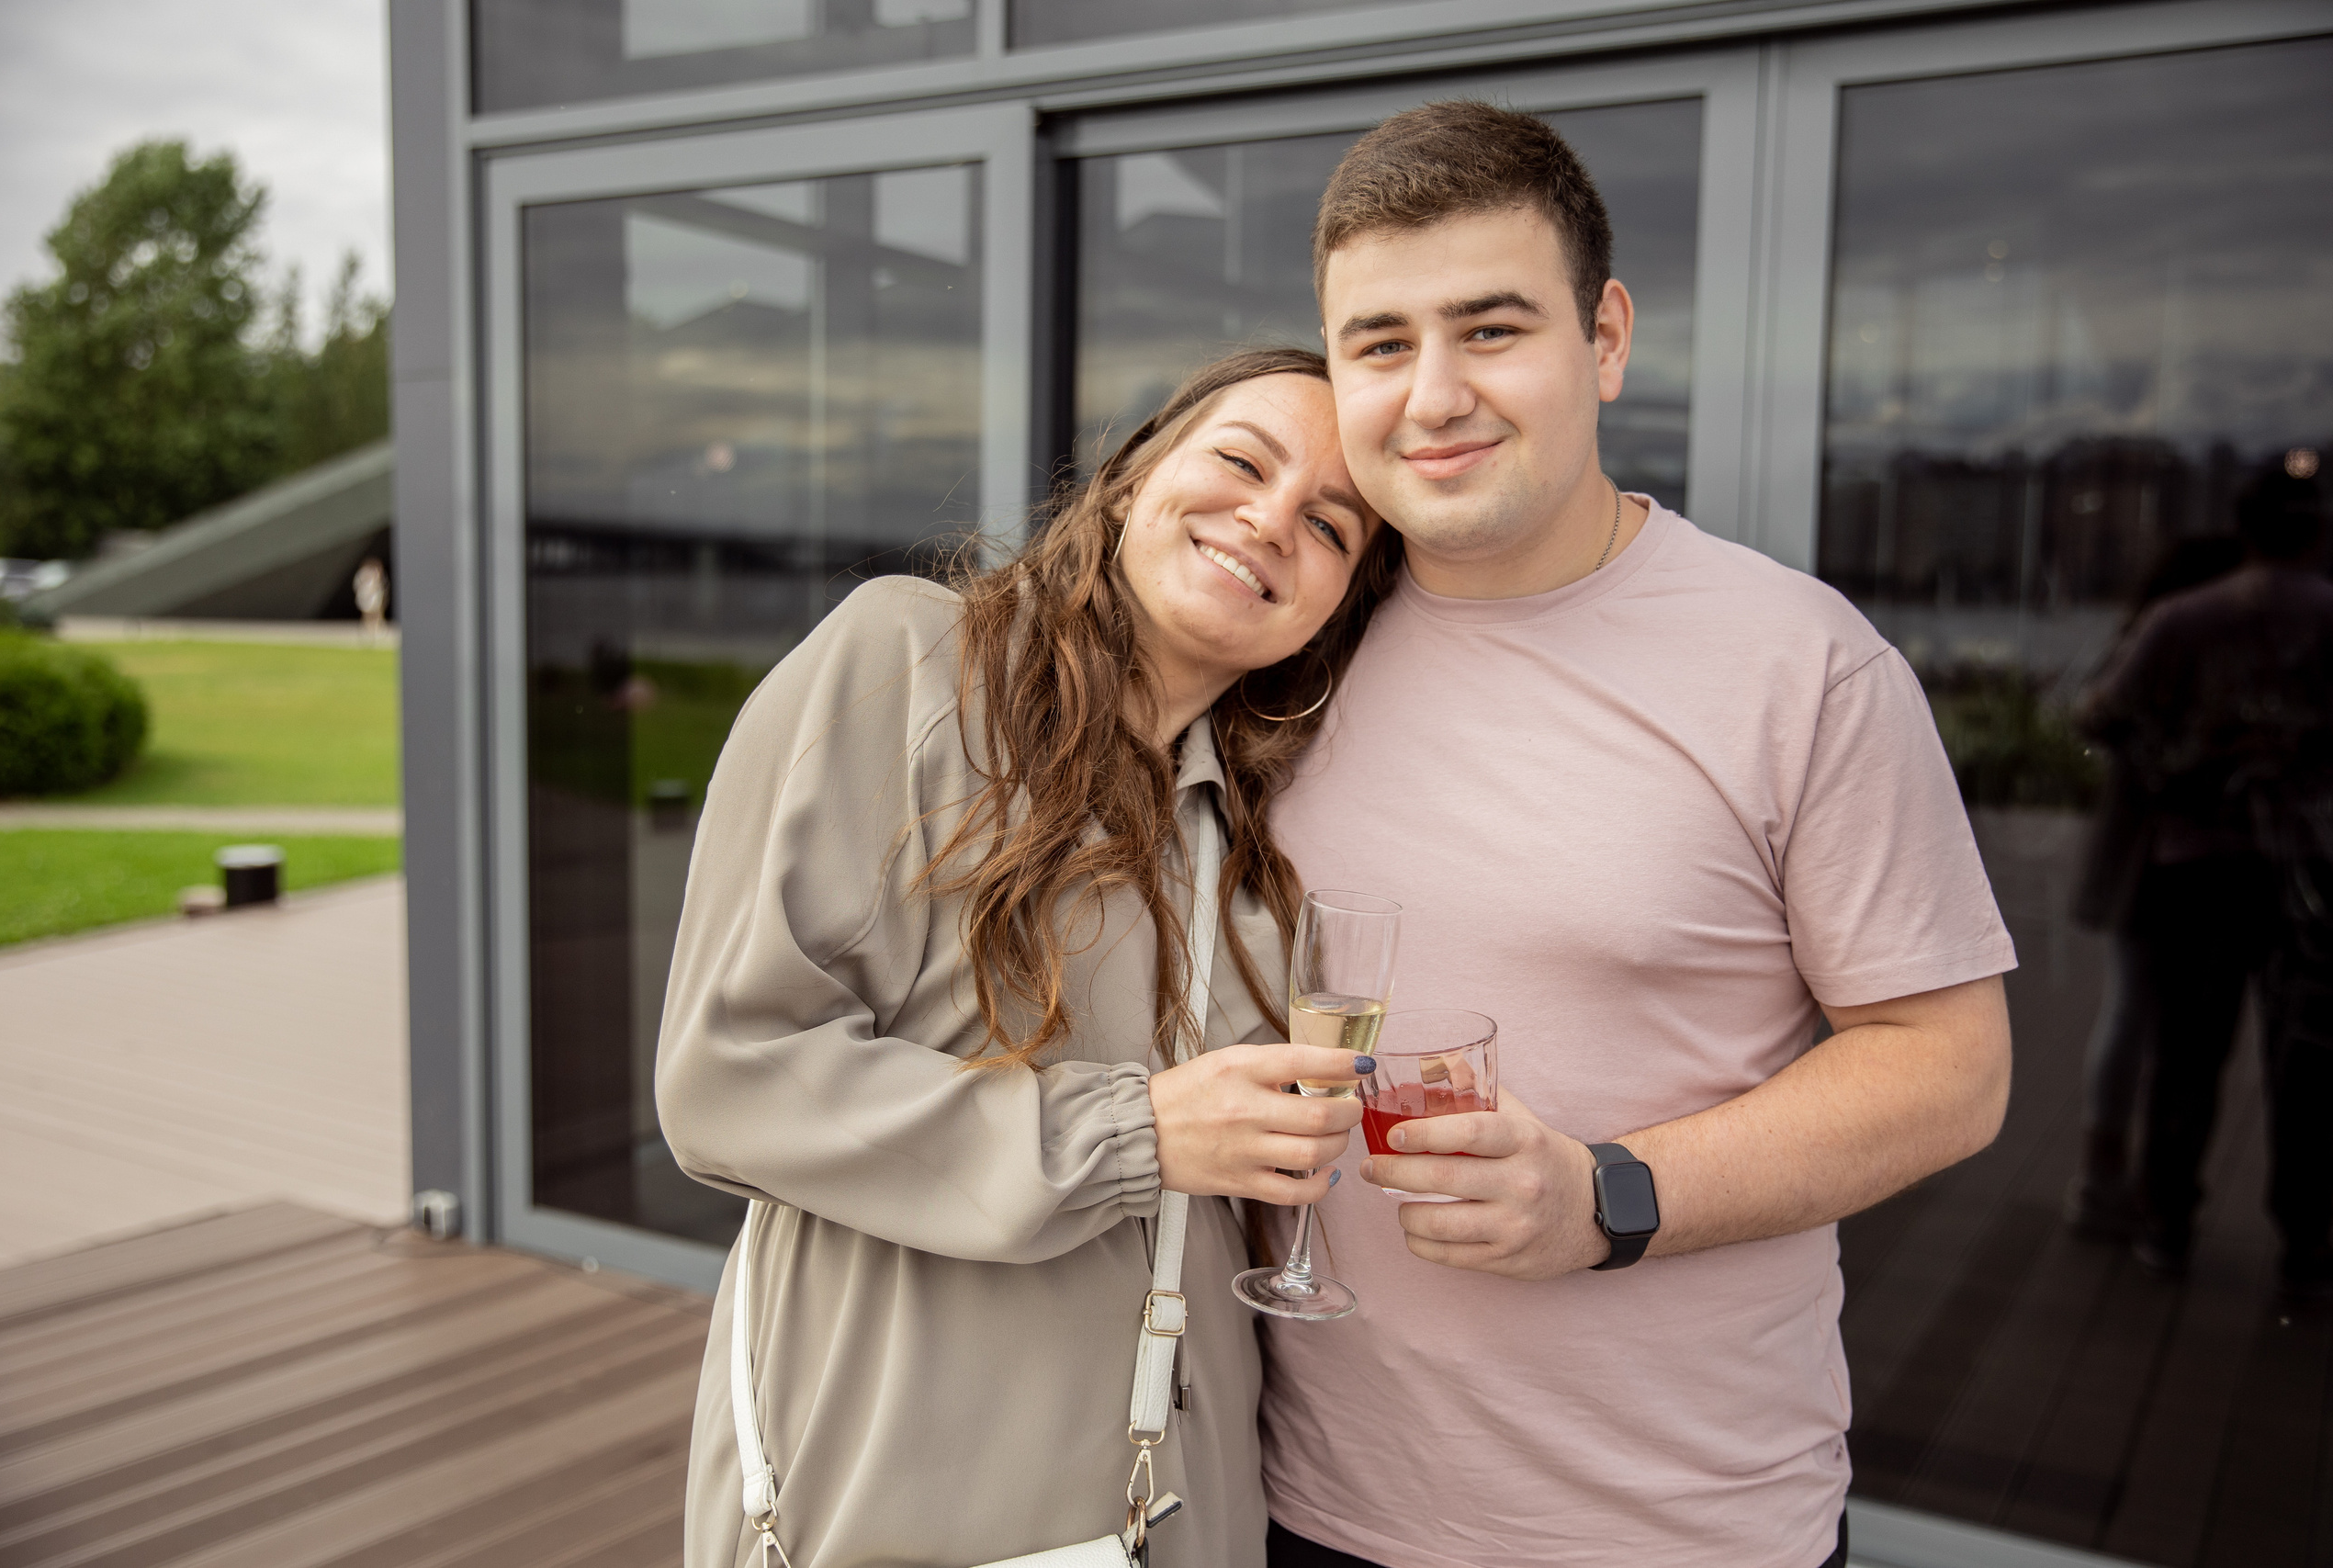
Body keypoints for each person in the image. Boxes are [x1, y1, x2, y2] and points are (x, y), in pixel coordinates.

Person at [1257, 103, 2018, 1568]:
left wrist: (1611, 1194)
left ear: (1603, 338)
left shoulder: (1800, 662)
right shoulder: (1290, 644)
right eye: (1380, 343)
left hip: (1676, 1524)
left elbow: (1952, 1067)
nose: (1432, 396)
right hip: (1303, 1502)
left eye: (1491, 329)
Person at [656, 347, 1395, 1567]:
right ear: (1129, 480)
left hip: (1177, 1511)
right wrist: (1138, 1131)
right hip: (889, 1496)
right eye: (1241, 460)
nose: (1270, 519)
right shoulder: (905, 663)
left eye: (1328, 523)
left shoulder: (1252, 843)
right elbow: (727, 1081)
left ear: (1335, 603)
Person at [2079, 459, 2333, 1294]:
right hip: (2308, 875)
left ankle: (2167, 1222)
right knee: (2304, 1064)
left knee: (2188, 1054)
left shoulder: (2188, 618)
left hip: (2197, 867)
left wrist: (2177, 762)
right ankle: (2304, 1245)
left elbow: (2100, 713)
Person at [2062, 535, 2244, 1239]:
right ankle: (2119, 1180)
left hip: (2146, 855)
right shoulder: (2182, 638)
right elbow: (2101, 718)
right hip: (2169, 858)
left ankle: (2108, 1178)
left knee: (2136, 1012)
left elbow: (2097, 716)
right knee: (2156, 1020)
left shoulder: (2149, 634)